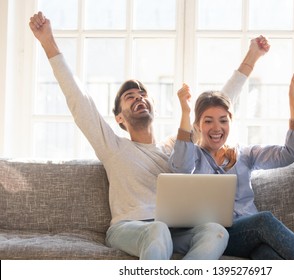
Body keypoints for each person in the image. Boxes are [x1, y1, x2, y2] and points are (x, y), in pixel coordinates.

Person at [29, 11, 270, 259]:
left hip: (174, 229)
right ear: (119, 118)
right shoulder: (113, 146)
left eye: (142, 94)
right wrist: (48, 42)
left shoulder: (177, 148)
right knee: (158, 230)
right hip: (130, 228)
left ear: (153, 105)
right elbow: (79, 101)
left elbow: (216, 109)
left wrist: (251, 58)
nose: (138, 98)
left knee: (216, 231)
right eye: (129, 97)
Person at [169, 76, 294, 259]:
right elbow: (181, 170)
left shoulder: (245, 154)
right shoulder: (192, 156)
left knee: (269, 256)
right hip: (217, 237)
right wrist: (185, 112)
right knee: (264, 220)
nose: (217, 128)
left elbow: (290, 152)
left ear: (230, 122)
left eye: (223, 120)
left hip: (248, 237)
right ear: (197, 126)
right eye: (208, 121)